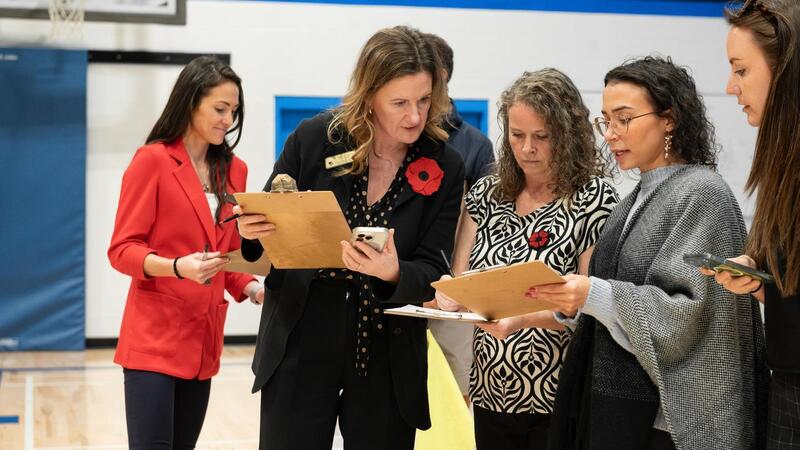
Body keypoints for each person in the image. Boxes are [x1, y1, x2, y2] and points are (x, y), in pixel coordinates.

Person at [234, 25, 465, 450]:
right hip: (302, 337)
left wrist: (394, 271)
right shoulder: (314, 139)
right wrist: (251, 228)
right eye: (399, 102)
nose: (414, 116)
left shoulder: (446, 164)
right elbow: (263, 221)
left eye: (424, 100)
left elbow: (434, 267)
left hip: (386, 348)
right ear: (369, 95)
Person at [541, 56, 768, 450]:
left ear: (669, 119)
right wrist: (572, 302)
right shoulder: (633, 200)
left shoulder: (702, 193)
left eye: (624, 119)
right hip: (632, 413)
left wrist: (593, 294)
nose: (611, 134)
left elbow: (687, 316)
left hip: (674, 425)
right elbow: (617, 307)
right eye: (605, 120)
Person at [434, 68, 618, 450]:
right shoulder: (487, 193)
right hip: (489, 388)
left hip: (554, 392)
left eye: (541, 137)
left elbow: (589, 306)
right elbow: (460, 276)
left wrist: (521, 320)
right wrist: (448, 297)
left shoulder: (593, 199)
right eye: (517, 135)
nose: (527, 149)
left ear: (566, 137)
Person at [107, 56, 264, 449]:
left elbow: (224, 255)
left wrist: (252, 288)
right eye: (220, 108)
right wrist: (177, 267)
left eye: (234, 111)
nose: (228, 119)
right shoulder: (152, 161)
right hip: (153, 340)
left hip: (203, 341)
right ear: (191, 101)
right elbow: (122, 250)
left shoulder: (236, 170)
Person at [710, 0, 800, 448]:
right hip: (786, 376)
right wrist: (759, 275)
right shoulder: (781, 157)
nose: (731, 87)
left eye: (741, 71)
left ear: (783, 67)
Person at [423, 31, 496, 403]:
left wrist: (461, 280)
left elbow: (486, 218)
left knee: (459, 385)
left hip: (453, 287)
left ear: (444, 77)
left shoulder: (475, 145)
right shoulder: (396, 134)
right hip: (402, 284)